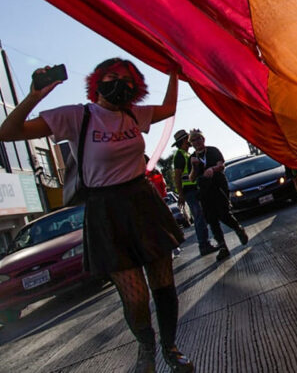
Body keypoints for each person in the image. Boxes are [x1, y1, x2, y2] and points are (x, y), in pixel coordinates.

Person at [0, 59, 194, 372]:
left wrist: (173, 72)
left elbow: (169, 108)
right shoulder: (78, 115)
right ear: (97, 83)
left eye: (127, 80)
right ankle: (146, 347)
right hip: (106, 211)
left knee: (163, 283)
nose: (120, 83)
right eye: (112, 77)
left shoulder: (134, 114)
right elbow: (8, 133)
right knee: (135, 296)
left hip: (143, 203)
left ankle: (170, 348)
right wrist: (36, 95)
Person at [188, 129, 249, 261]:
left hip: (218, 187)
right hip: (204, 191)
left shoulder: (213, 151)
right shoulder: (192, 158)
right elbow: (191, 178)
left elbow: (221, 165)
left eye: (198, 138)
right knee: (211, 219)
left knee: (224, 214)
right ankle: (222, 247)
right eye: (193, 140)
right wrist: (194, 166)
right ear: (191, 143)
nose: (197, 142)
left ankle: (238, 229)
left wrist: (212, 169)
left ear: (203, 139)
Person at [171, 129, 218, 257]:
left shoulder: (187, 154)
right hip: (189, 191)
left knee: (201, 216)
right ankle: (204, 245)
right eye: (189, 139)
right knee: (199, 216)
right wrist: (180, 195)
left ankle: (205, 243)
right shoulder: (180, 155)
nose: (192, 141)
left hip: (194, 189)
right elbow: (177, 176)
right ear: (184, 141)